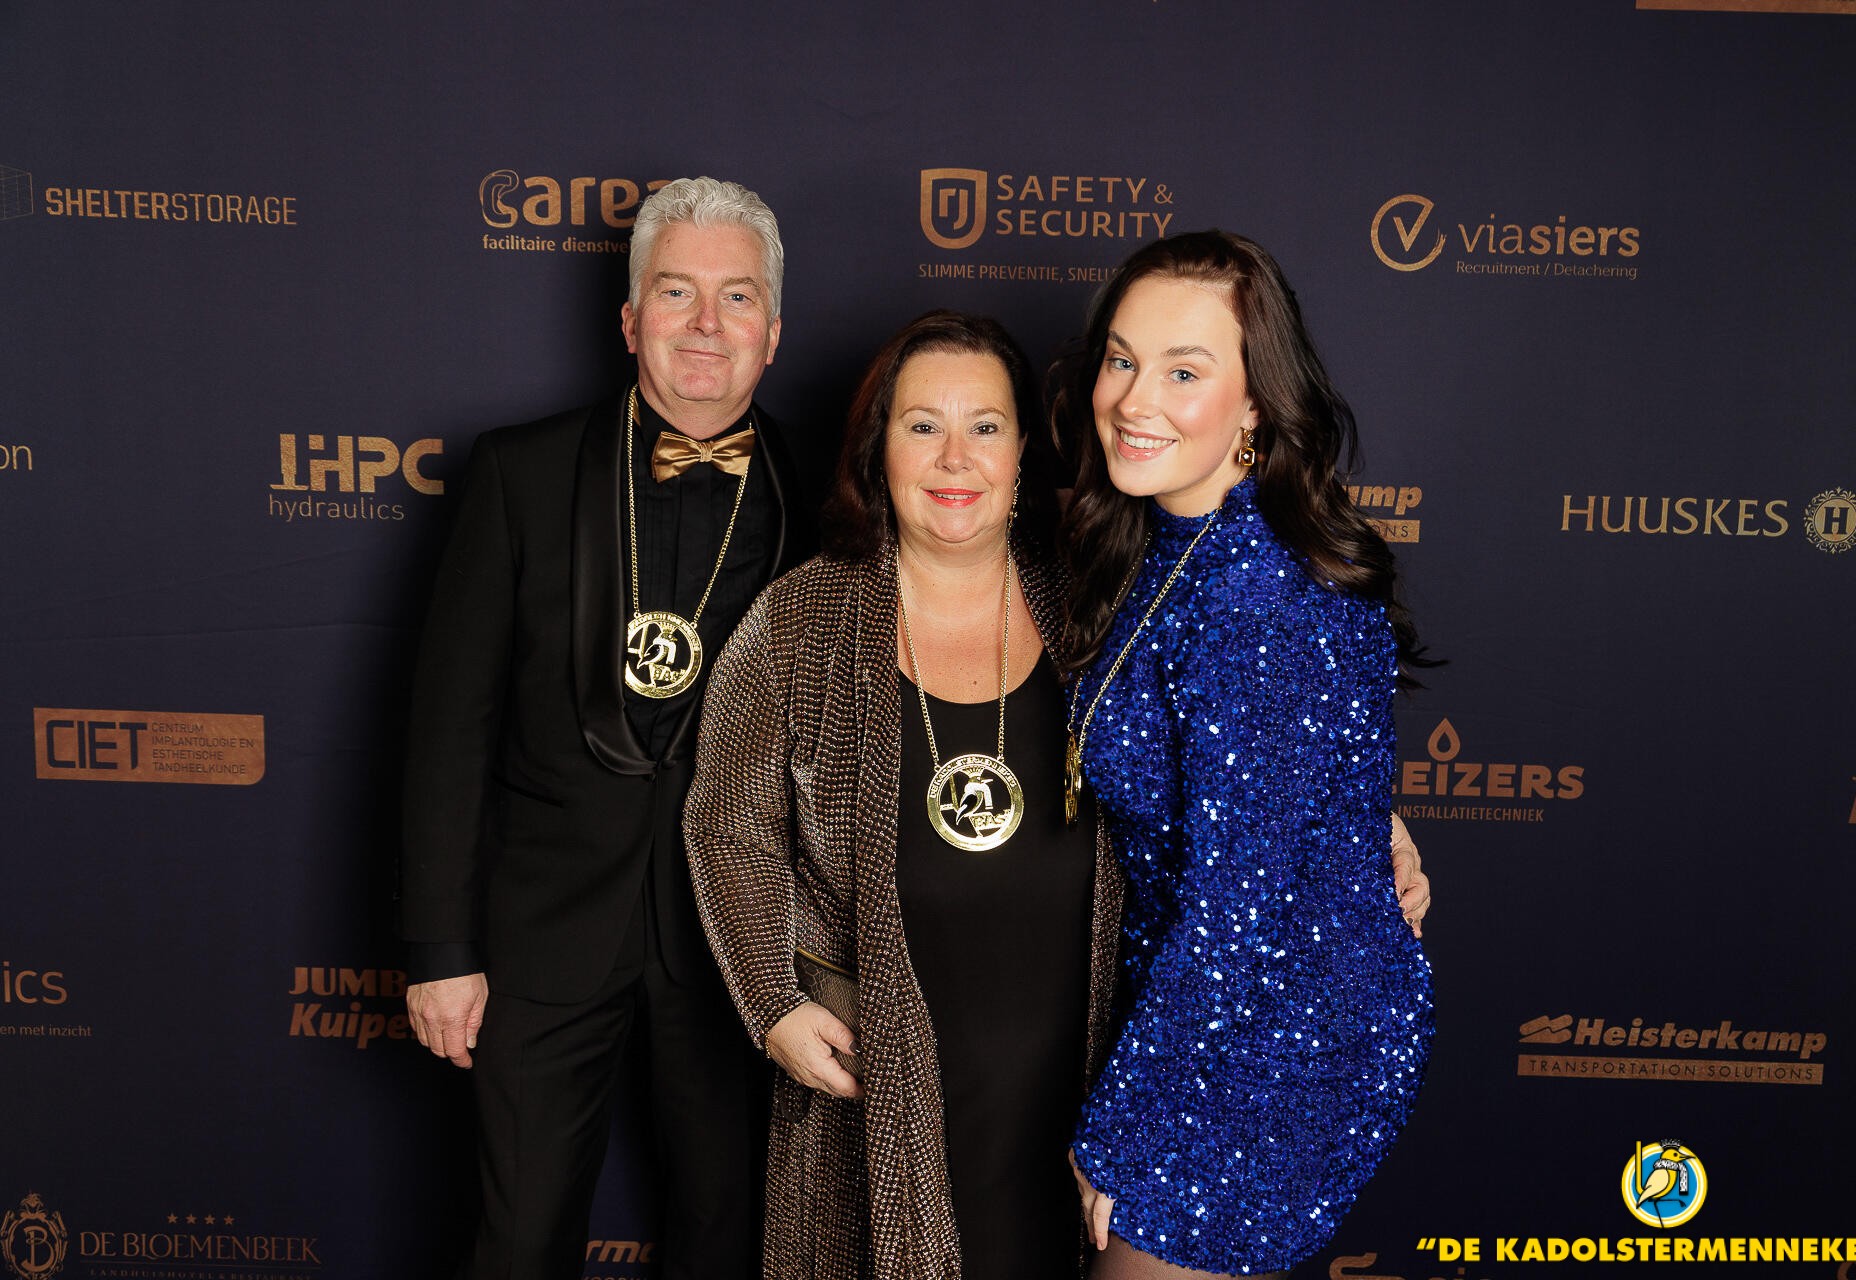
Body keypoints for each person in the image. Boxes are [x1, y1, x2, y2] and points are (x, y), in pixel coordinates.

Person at [683, 310, 1431, 1280]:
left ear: (1024, 451)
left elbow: (1242, 738)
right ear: (878, 448)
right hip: (877, 1077)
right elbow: (728, 825)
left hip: (1084, 1065)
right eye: (923, 425)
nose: (956, 457)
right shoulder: (801, 619)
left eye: (986, 426)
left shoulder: (1097, 591)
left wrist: (1364, 820)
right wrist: (774, 1002)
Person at [399, 177, 819, 1280]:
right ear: (631, 320)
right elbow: (448, 727)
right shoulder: (519, 472)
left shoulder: (830, 494)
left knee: (726, 1241)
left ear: (774, 333)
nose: (706, 323)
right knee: (520, 1240)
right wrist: (441, 950)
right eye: (676, 292)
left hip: (740, 949)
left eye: (737, 297)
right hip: (539, 936)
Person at [1056, 231, 1436, 1279]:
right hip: (1201, 1007)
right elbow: (1276, 771)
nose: (1135, 399)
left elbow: (1237, 912)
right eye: (1123, 359)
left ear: (1257, 402)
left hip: (1270, 1036)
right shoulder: (1169, 538)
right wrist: (1364, 816)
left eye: (1185, 372)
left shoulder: (1258, 596)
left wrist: (1120, 1129)